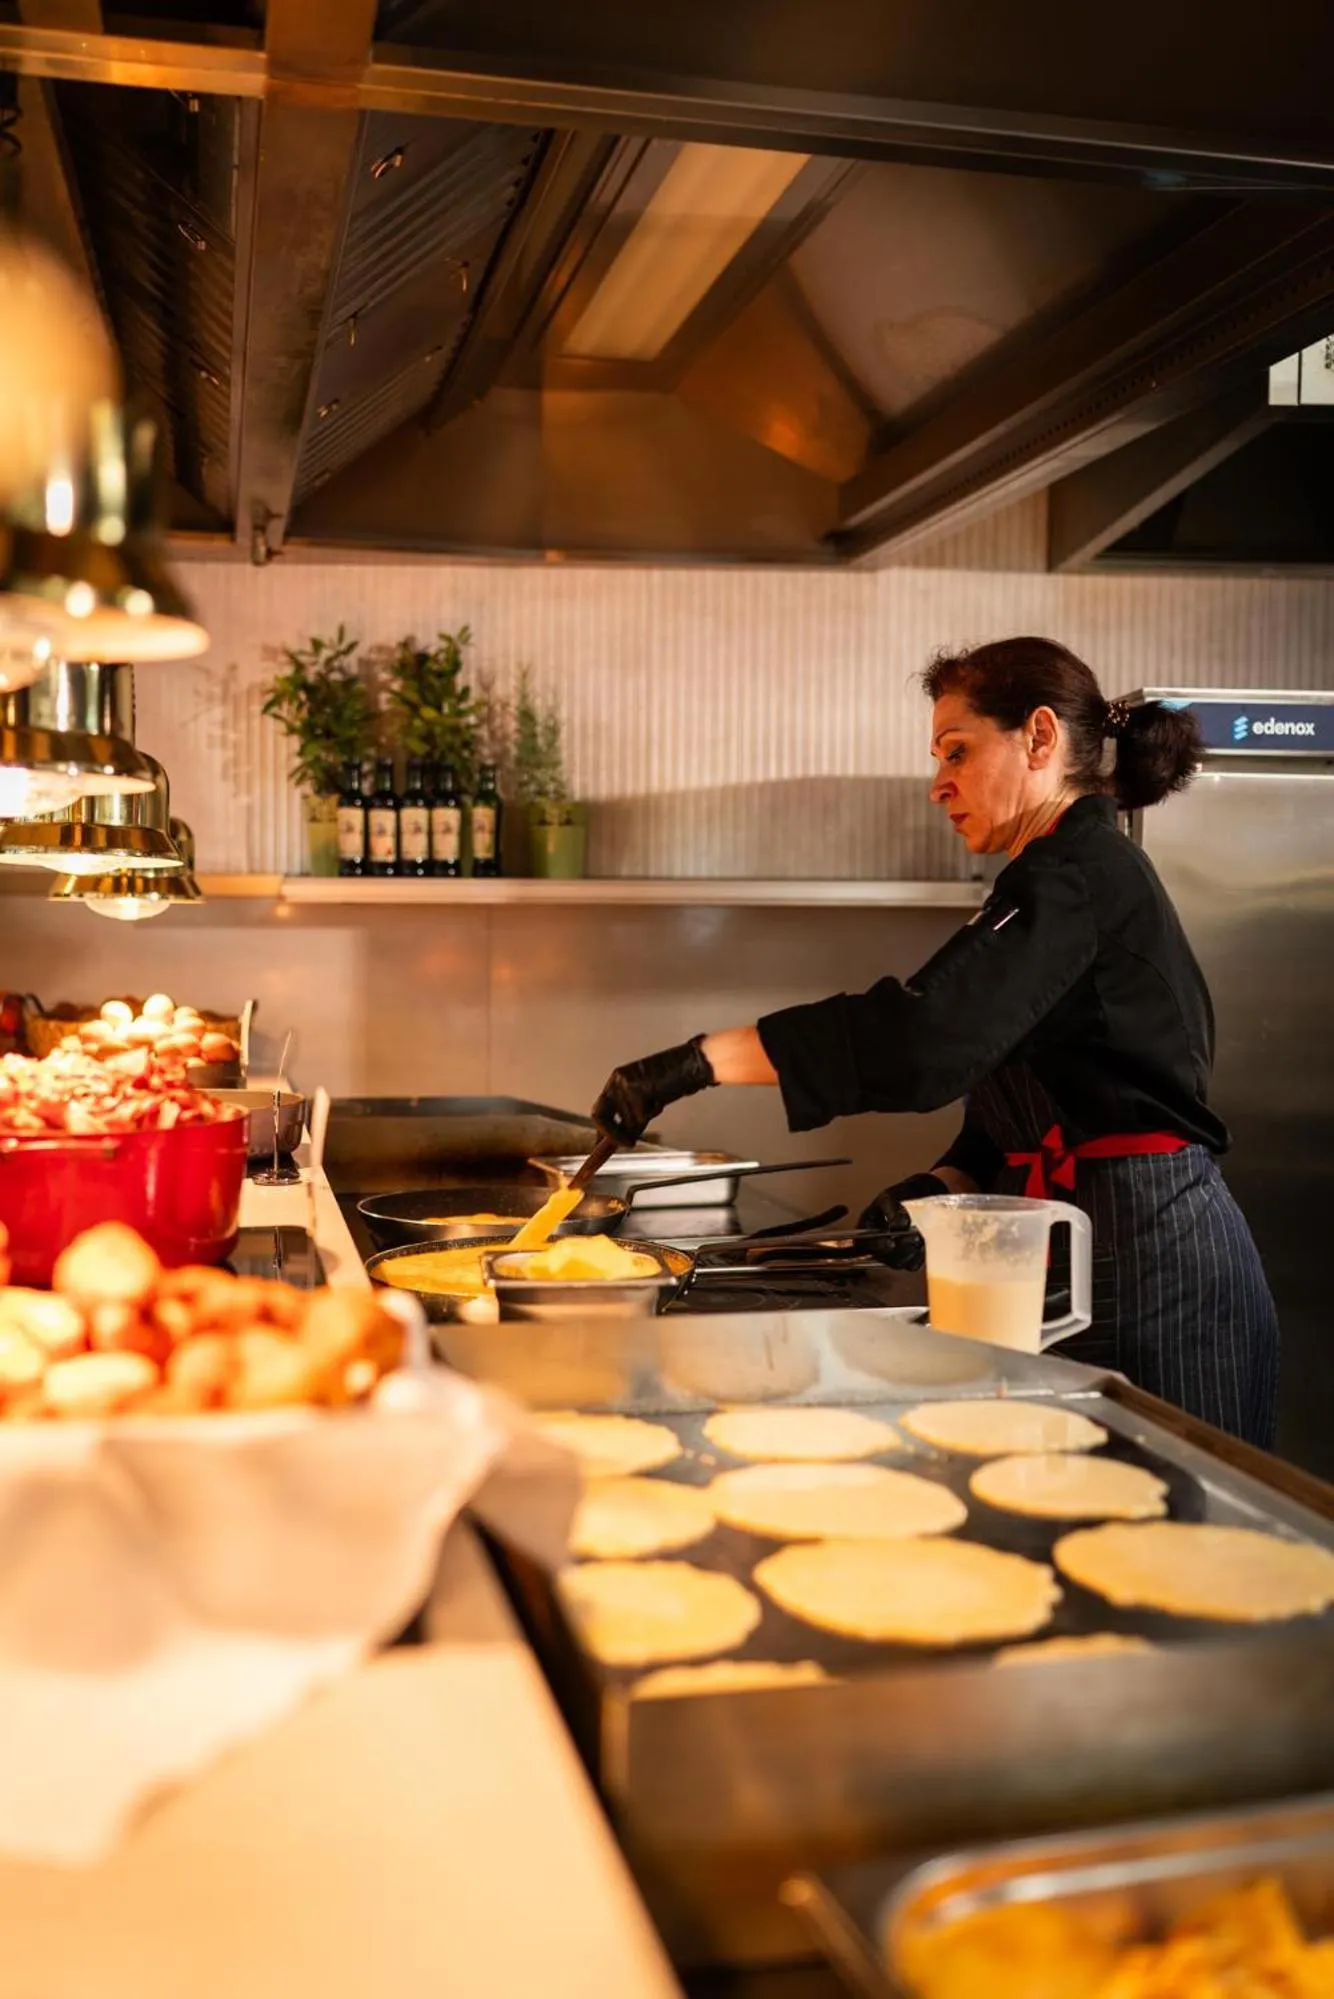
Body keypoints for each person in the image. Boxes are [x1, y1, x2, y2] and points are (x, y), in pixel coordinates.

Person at [592, 636, 1279, 1448]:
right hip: (1075, 1255)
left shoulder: (1080, 874)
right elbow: (1014, 1111)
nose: (938, 784)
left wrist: (698, 1061)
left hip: (1157, 1275)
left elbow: (922, 1038)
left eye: (958, 750)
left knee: (1174, 1550)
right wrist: (939, 1186)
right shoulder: (1040, 881)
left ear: (1040, 738)